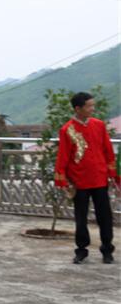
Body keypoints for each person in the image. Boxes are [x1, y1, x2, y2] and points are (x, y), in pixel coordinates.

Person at [55, 91, 118, 264]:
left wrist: (113, 174)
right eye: (89, 106)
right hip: (79, 180)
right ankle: (81, 250)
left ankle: (107, 249)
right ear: (78, 108)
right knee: (80, 218)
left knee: (104, 216)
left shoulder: (99, 125)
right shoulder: (67, 129)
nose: (93, 108)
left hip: (99, 178)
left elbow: (108, 150)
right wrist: (62, 179)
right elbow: (63, 156)